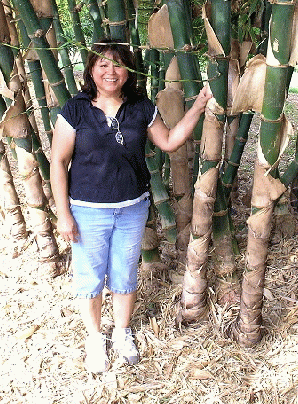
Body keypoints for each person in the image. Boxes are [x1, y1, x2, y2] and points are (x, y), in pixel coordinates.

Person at [50, 39, 212, 372]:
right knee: (91, 278)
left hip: (131, 208)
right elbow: (58, 161)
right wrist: (63, 214)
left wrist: (198, 107)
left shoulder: (141, 107)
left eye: (118, 64)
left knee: (124, 276)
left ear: (129, 71)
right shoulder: (76, 109)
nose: (111, 72)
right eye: (103, 65)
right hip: (87, 210)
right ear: (91, 70)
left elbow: (167, 141)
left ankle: (122, 333)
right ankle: (95, 339)